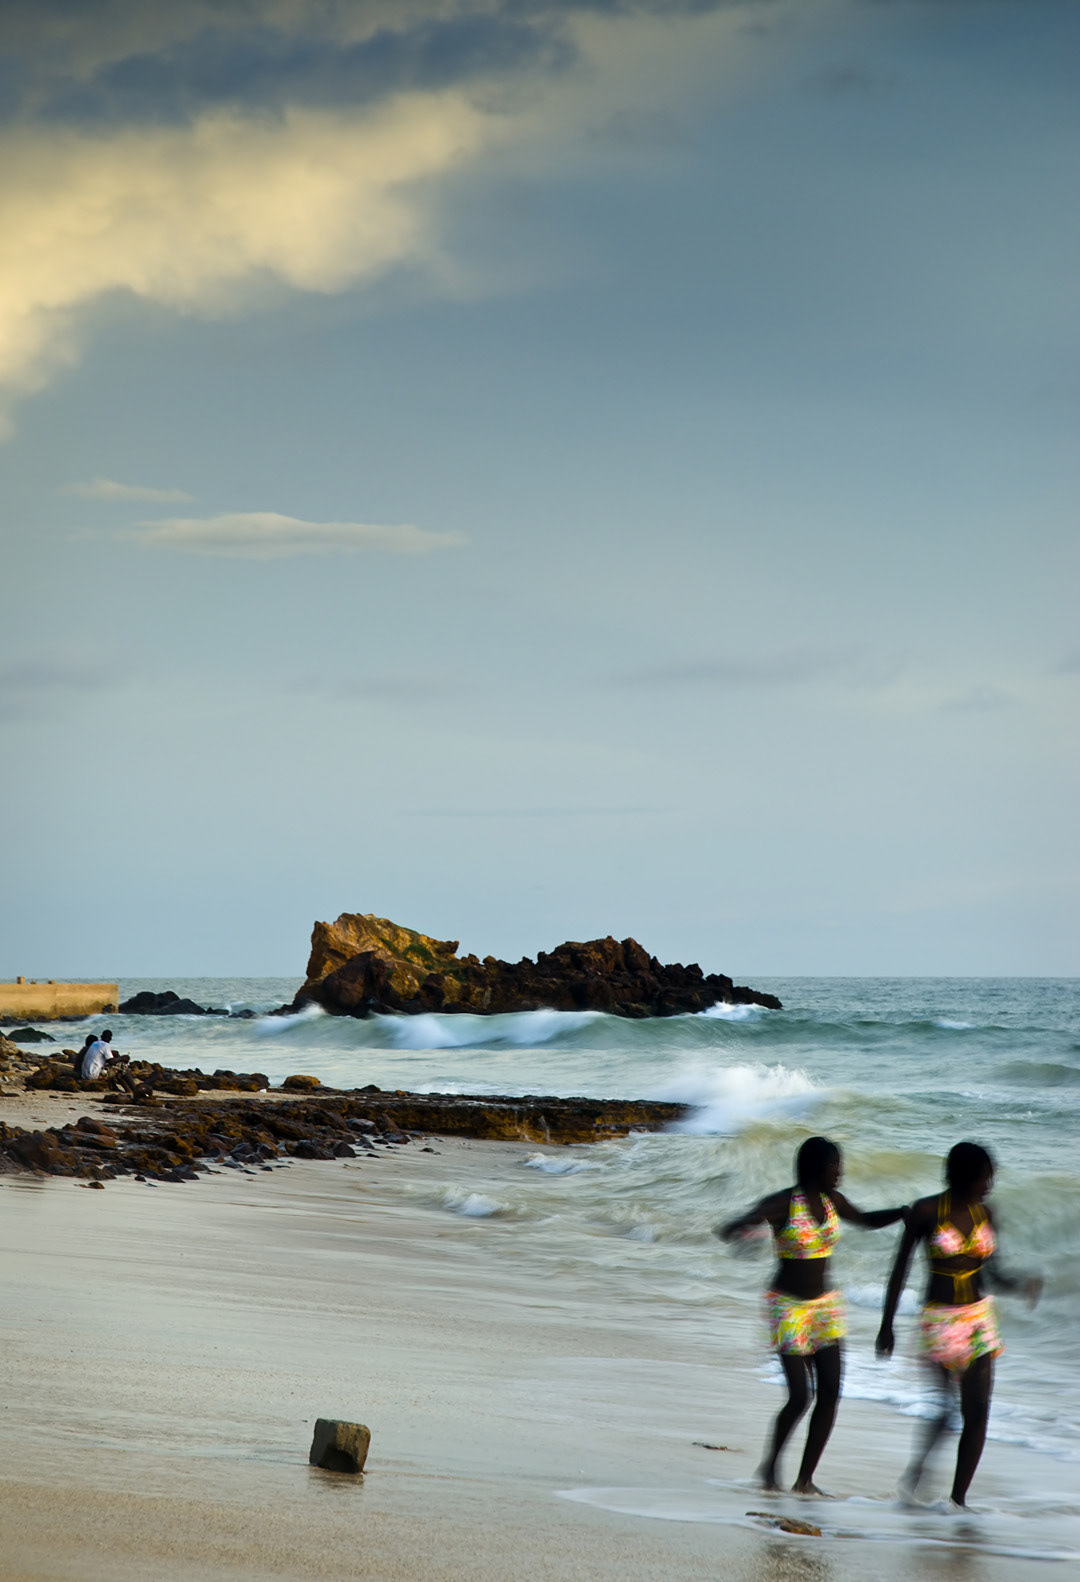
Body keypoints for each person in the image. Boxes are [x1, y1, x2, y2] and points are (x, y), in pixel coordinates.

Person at [719, 1136, 908, 1494]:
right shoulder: (785, 1203)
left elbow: (866, 1220)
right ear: (815, 1167)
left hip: (825, 1308)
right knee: (800, 1396)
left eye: (840, 1165)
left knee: (831, 1392)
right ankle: (770, 1468)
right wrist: (741, 1230)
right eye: (834, 1165)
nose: (840, 1172)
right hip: (788, 1307)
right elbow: (742, 1220)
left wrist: (901, 1212)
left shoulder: (833, 1201)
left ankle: (805, 1480)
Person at [876, 1140, 1041, 1509]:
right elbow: (899, 1271)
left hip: (979, 1317)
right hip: (939, 1318)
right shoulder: (927, 1211)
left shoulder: (987, 1214)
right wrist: (886, 1326)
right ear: (967, 1175)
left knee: (978, 1411)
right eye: (986, 1176)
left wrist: (1021, 1284)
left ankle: (957, 1502)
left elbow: (992, 1274)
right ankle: (916, 1475)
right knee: (947, 1411)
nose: (990, 1184)